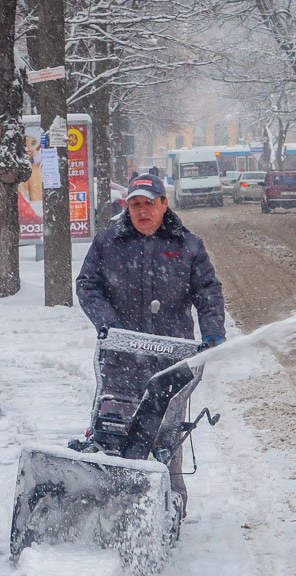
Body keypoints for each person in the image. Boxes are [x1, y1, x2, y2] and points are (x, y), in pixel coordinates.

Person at [76, 173, 226, 514]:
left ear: (163, 204)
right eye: (135, 204)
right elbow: (87, 285)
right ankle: (109, 495)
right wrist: (107, 321)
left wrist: (213, 331)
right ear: (126, 207)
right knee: (114, 421)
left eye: (149, 203)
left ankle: (170, 499)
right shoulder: (108, 243)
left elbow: (207, 291)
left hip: (171, 359)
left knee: (165, 428)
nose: (142, 211)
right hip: (121, 354)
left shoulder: (186, 245)